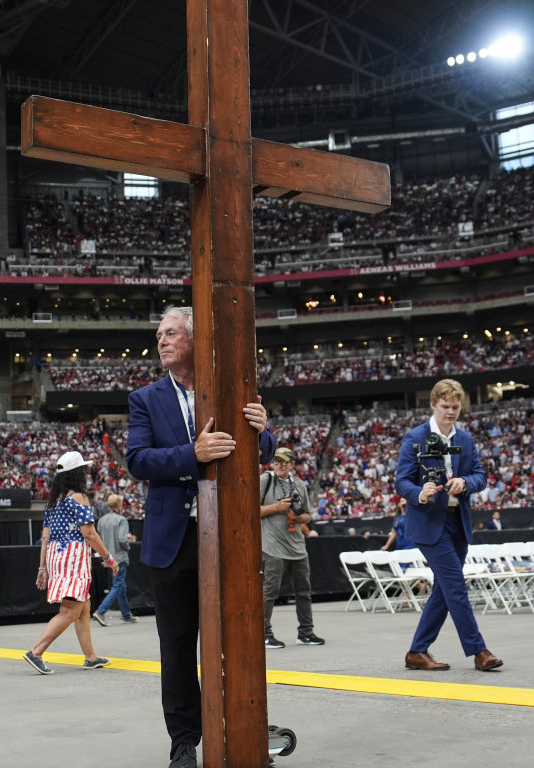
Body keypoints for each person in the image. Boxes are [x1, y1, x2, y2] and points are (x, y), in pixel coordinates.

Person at [125, 305, 276, 768]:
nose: (162, 341)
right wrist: (192, 454)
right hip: (172, 541)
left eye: (171, 333)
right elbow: (137, 461)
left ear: (195, 338)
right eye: (159, 335)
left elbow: (263, 452)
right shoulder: (145, 398)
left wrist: (262, 430)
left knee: (241, 639)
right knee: (176, 647)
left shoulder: (233, 389)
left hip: (228, 534)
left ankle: (244, 731)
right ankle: (184, 743)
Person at [396, 378, 502, 673]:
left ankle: (417, 652)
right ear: (433, 405)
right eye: (445, 407)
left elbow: (480, 476)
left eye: (455, 407)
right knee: (455, 586)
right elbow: (401, 481)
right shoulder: (414, 437)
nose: (451, 412)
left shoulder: (465, 439)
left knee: (444, 589)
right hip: (429, 523)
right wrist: (419, 492)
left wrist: (464, 482)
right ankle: (479, 651)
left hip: (459, 521)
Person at [23, 451, 119, 675]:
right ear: (77, 473)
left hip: (57, 556)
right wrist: (108, 558)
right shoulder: (78, 497)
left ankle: (91, 657)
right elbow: (89, 533)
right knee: (69, 610)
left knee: (83, 609)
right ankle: (36, 652)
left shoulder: (54, 501)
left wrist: (42, 567)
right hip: (73, 556)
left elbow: (45, 537)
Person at [259, 447, 322, 648]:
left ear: (291, 464)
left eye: (284, 462)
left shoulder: (298, 484)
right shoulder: (265, 480)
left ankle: (306, 632)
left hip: (297, 546)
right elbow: (249, 509)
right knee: (269, 591)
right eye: (276, 461)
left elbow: (307, 515)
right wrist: (276, 508)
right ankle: (264, 633)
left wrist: (297, 516)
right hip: (272, 545)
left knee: (304, 591)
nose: (279, 465)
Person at [93, 494, 137, 626]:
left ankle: (126, 615)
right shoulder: (121, 520)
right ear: (118, 505)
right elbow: (122, 540)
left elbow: (99, 540)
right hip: (120, 557)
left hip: (108, 558)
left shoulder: (101, 521)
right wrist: (128, 547)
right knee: (118, 585)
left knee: (120, 585)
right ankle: (100, 611)